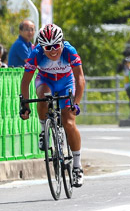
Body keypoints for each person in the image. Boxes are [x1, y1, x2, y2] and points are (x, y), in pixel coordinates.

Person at [19, 24, 86, 187]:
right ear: (41, 47)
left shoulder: (70, 51)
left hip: (66, 82)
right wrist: (24, 105)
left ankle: (77, 167)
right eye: (48, 48)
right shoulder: (36, 54)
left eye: (56, 46)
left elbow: (80, 79)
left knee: (69, 123)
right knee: (43, 97)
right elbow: (25, 81)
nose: (53, 51)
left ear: (62, 43)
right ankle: (44, 130)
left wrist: (76, 103)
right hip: (46, 80)